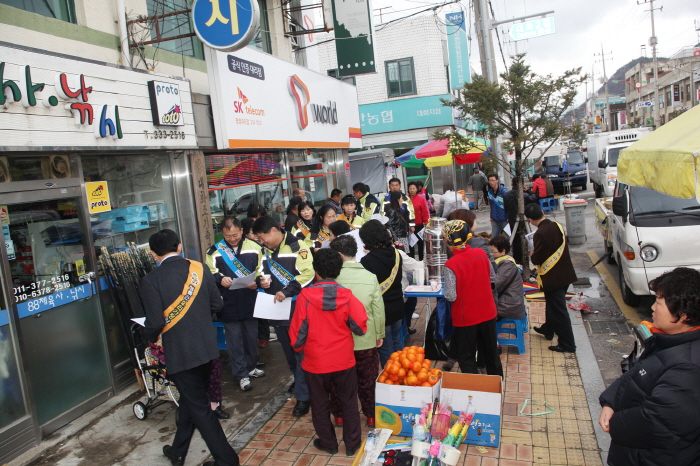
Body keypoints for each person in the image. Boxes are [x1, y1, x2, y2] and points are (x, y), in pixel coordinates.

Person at [141, 229, 238, 466]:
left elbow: (154, 323)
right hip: (207, 348)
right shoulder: (199, 268)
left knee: (200, 408)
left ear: (153, 254)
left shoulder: (151, 280)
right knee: (190, 400)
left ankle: (227, 460)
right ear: (179, 247)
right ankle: (178, 452)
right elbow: (217, 305)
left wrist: (146, 336)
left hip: (181, 354)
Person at [598, 268, 700, 466]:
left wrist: (616, 422)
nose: (652, 307)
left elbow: (659, 422)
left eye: (659, 302)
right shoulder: (668, 340)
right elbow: (634, 375)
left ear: (683, 315)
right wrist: (610, 402)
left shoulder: (690, 367)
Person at [289, 248, 368, 457]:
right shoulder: (347, 295)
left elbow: (297, 335)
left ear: (315, 270)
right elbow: (360, 326)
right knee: (349, 402)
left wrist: (299, 349)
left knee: (319, 404)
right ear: (339, 270)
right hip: (344, 360)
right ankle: (352, 444)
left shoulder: (305, 296)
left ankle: (328, 443)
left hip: (315, 361)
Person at [252, 216, 315, 416]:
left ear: (273, 230)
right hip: (276, 310)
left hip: (297, 308)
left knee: (300, 352)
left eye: (262, 237)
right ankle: (299, 381)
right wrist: (260, 280)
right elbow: (259, 270)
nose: (262, 242)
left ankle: (303, 397)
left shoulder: (298, 246)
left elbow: (308, 273)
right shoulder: (264, 251)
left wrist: (288, 291)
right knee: (288, 352)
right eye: (259, 239)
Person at [329, 235, 385, 428]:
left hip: (338, 341)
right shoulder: (370, 277)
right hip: (365, 338)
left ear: (338, 255)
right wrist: (379, 334)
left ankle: (340, 416)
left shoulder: (332, 278)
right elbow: (378, 310)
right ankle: (370, 416)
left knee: (338, 381)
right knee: (367, 379)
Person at [206, 217, 265, 392]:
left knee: (251, 337)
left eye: (235, 235)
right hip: (228, 303)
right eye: (227, 236)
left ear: (241, 230)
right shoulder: (214, 251)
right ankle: (241, 374)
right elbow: (209, 272)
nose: (232, 239)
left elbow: (262, 269)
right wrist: (220, 278)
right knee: (234, 341)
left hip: (250, 300)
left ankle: (251, 366)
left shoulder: (255, 247)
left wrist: (257, 281)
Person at [442, 220, 503, 377]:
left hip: (465, 317)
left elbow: (451, 296)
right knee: (491, 353)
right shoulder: (481, 253)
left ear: (447, 240)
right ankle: (497, 385)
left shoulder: (450, 265)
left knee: (467, 357)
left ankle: (472, 388)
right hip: (488, 311)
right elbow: (492, 277)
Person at [526, 203, 577, 353]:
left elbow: (537, 259)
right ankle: (548, 329)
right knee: (553, 306)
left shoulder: (540, 233)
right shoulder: (556, 225)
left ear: (530, 219)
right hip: (565, 273)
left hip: (553, 278)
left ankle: (568, 344)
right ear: (542, 212)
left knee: (559, 311)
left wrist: (532, 254)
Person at [359, 220, 404, 367]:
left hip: (381, 311)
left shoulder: (367, 261)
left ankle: (391, 377)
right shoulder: (396, 253)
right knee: (397, 342)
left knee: (385, 349)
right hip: (398, 304)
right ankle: (403, 373)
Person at [488, 236, 525, 320]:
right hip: (506, 300)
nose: (491, 254)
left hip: (508, 305)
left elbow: (495, 284)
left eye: (493, 251)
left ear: (503, 251)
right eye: (489, 251)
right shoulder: (503, 261)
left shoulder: (507, 265)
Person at [407, 181, 429, 261]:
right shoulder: (405, 199)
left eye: (414, 188)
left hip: (419, 225)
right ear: (408, 189)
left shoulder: (421, 199)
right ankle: (411, 260)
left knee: (420, 243)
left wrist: (426, 222)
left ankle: (421, 260)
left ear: (417, 189)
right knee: (410, 245)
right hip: (409, 226)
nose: (412, 190)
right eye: (410, 188)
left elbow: (425, 212)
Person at [487, 174, 509, 238]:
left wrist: (508, 216)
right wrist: (491, 216)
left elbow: (508, 204)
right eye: (490, 180)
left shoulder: (503, 191)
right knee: (494, 237)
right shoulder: (490, 192)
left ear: (497, 180)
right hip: (495, 219)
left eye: (493, 180)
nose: (491, 182)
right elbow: (491, 205)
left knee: (508, 237)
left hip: (505, 219)